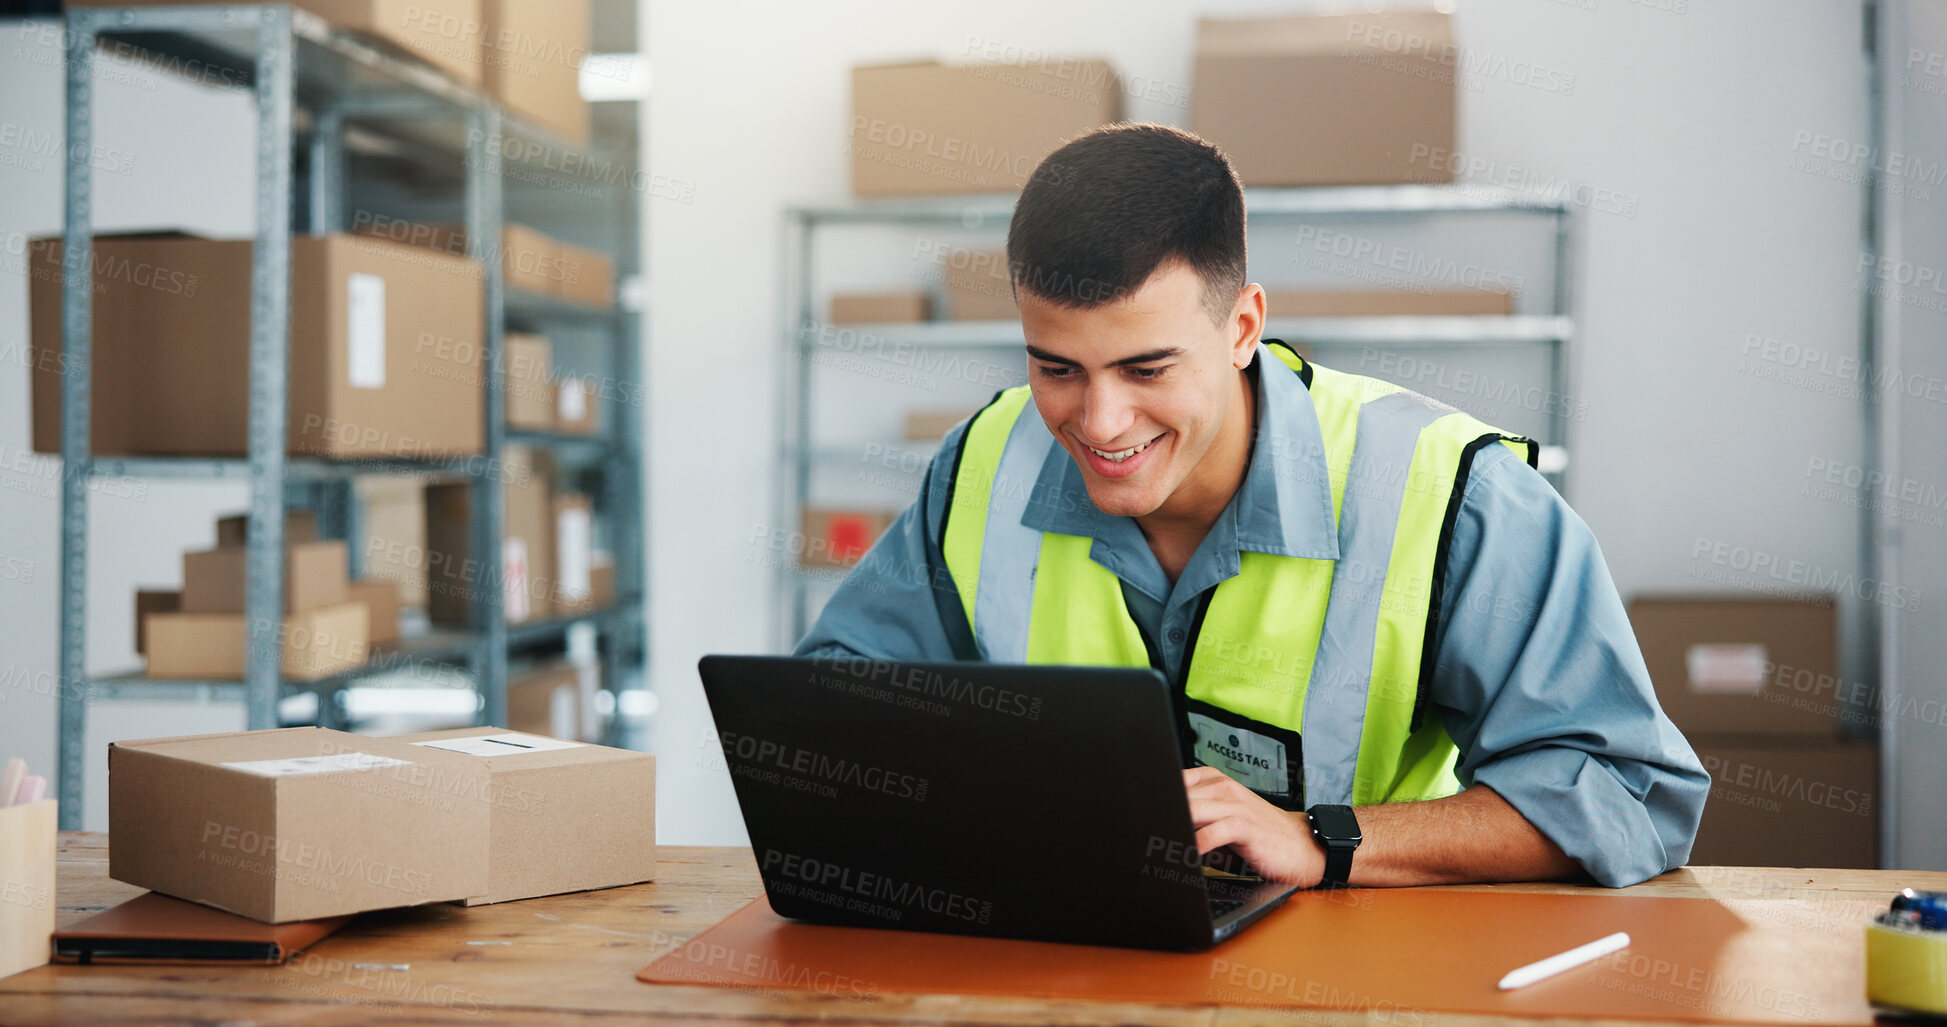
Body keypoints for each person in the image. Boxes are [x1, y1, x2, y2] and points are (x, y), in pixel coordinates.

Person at [796, 123, 1707, 890]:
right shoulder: (983, 461)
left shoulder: (1453, 496)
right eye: (1055, 368)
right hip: (1067, 957)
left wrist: (1325, 839)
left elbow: (1625, 791)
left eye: (1146, 368)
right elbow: (837, 708)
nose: (1099, 423)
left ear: (1242, 328)